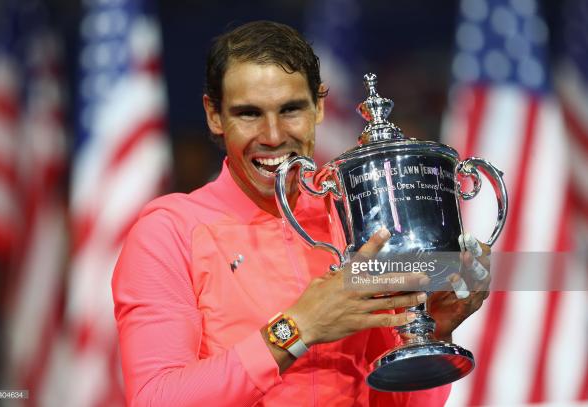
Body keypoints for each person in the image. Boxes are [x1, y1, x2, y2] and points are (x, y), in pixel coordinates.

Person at [112, 20, 491, 406]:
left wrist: (436, 333)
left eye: (291, 109)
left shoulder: (355, 219)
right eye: (248, 114)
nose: (273, 135)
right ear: (214, 115)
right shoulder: (169, 231)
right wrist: (298, 328)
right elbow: (156, 398)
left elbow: (398, 401)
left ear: (319, 107)